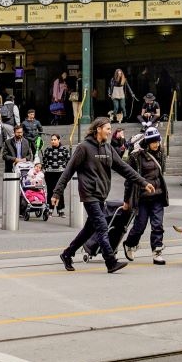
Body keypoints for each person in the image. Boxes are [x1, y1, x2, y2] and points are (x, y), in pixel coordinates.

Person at [53, 117, 152, 274]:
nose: (110, 131)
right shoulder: (83, 148)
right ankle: (110, 261)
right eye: (107, 128)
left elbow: (124, 168)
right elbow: (69, 170)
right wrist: (57, 192)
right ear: (98, 129)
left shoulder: (108, 148)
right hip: (89, 194)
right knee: (101, 226)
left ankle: (67, 254)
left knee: (89, 229)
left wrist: (143, 182)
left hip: (101, 195)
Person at [116, 126, 169, 264]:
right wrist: (126, 200)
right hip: (142, 197)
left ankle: (157, 251)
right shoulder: (136, 156)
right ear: (147, 142)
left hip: (158, 195)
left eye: (157, 141)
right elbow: (129, 180)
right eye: (153, 142)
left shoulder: (161, 152)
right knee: (140, 225)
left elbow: (161, 172)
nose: (156, 144)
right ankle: (130, 244)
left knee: (158, 224)